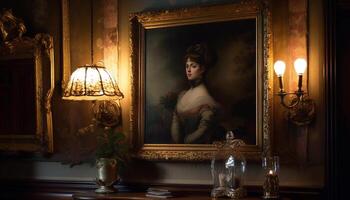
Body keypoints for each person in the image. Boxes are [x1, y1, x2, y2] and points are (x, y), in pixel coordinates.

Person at [171, 43, 220, 144]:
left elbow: (202, 131)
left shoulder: (206, 100)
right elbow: (175, 121)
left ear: (202, 69)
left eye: (193, 66)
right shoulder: (182, 95)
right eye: (187, 66)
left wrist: (185, 143)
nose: (188, 70)